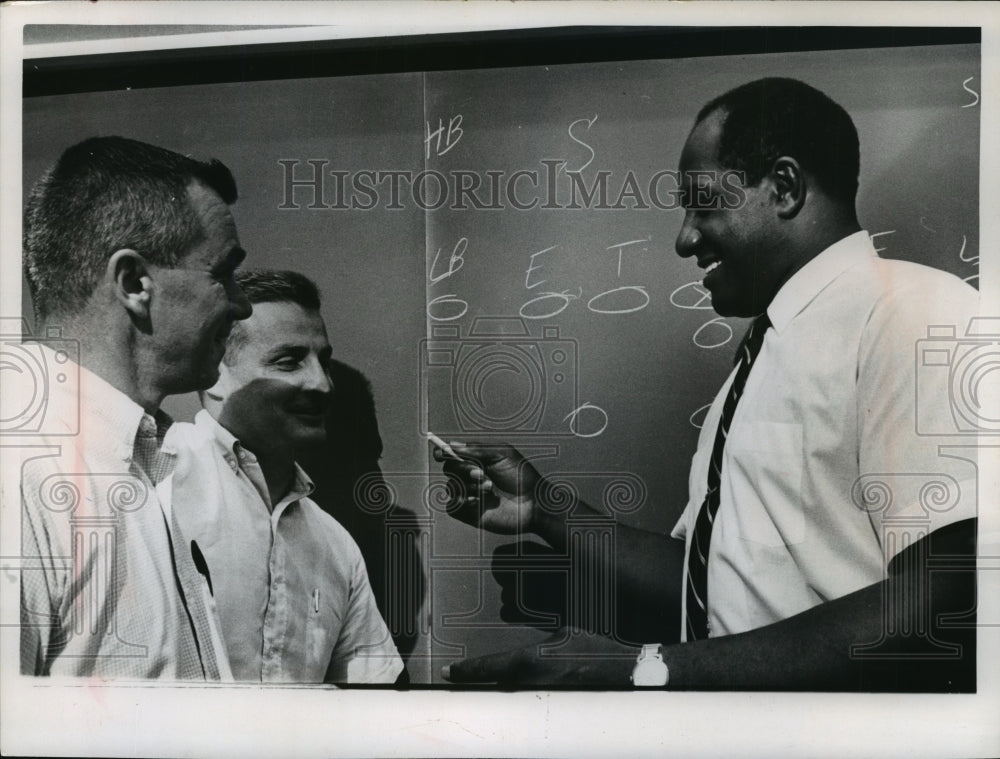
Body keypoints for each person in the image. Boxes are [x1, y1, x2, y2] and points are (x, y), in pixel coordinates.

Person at [436, 78, 979, 690]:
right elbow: (712, 584)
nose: (685, 237)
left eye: (702, 203)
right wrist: (547, 512)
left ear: (785, 188)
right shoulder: (767, 352)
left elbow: (947, 601)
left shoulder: (920, 312)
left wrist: (648, 668)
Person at [19, 136, 252, 679]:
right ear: (133, 283)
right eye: (223, 273)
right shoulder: (21, 476)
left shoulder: (138, 456)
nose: (241, 304)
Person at [163, 269, 404, 684]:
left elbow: (376, 696)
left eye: (322, 361)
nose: (322, 384)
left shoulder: (333, 544)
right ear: (215, 375)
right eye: (289, 361)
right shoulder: (159, 483)